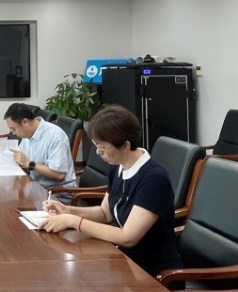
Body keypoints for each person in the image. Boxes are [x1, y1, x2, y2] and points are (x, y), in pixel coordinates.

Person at [39, 104, 181, 278]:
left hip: (152, 273)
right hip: (122, 261)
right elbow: (105, 213)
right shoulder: (118, 166)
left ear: (125, 145)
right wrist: (68, 210)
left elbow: (128, 237)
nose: (98, 152)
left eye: (103, 147)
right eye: (96, 145)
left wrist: (75, 221)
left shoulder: (154, 179)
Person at [4, 102, 76, 190]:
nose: (14, 133)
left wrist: (29, 164)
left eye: (13, 129)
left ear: (25, 122)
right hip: (36, 186)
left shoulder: (55, 136)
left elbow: (59, 175)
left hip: (57, 192)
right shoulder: (27, 134)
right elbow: (22, 158)